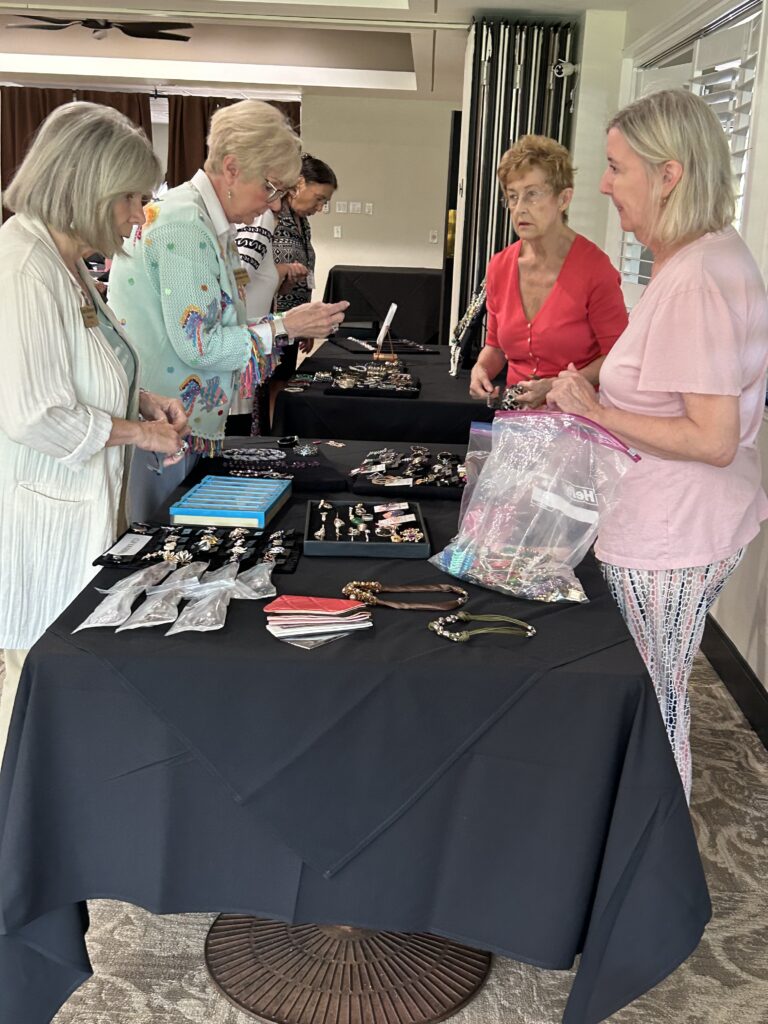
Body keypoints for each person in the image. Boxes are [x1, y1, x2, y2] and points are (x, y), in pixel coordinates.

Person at [548, 89, 768, 800]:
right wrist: (589, 385)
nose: (604, 184)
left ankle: (651, 845)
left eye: (617, 168)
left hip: (673, 532)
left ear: (669, 175)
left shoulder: (696, 278)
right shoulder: (704, 256)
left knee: (654, 696)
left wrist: (596, 411)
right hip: (685, 522)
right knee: (657, 687)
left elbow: (712, 437)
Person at [0, 102, 188, 757]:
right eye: (131, 198)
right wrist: (139, 433)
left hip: (86, 508)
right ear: (87, 188)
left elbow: (86, 366)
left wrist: (144, 400)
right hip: (42, 520)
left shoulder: (68, 259)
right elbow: (34, 412)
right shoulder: (23, 265)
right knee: (31, 691)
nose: (140, 214)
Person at [109, 102, 347, 471]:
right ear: (232, 168)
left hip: (176, 422)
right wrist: (286, 325)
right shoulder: (184, 224)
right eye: (270, 188)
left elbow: (221, 318)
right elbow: (200, 344)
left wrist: (285, 323)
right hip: (163, 429)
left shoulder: (205, 219)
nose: (275, 206)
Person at [469, 135, 628, 407]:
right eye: (513, 197)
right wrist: (481, 369)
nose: (520, 208)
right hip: (516, 419)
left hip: (578, 417)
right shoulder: (500, 267)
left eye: (532, 194)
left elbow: (617, 357)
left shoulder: (595, 269)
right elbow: (495, 346)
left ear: (563, 199)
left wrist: (555, 385)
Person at [272, 153, 339, 380]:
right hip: (272, 323)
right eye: (318, 199)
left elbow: (305, 277)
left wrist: (307, 324)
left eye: (324, 202)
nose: (319, 207)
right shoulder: (272, 216)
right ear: (298, 184)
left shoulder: (303, 222)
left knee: (284, 381)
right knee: (272, 385)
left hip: (294, 321)